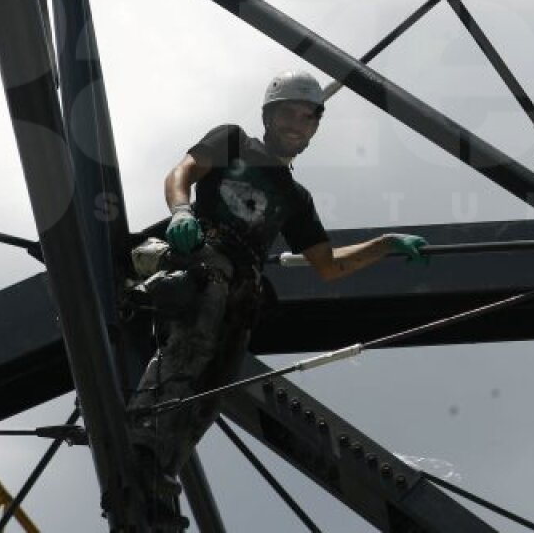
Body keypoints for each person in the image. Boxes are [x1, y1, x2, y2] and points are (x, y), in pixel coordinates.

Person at [125, 70, 428, 527]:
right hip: (202, 257)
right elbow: (183, 171)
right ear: (269, 114)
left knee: (217, 381)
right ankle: (141, 433)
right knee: (198, 329)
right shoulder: (233, 142)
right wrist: (181, 209)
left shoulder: (294, 197)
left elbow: (327, 264)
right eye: (289, 112)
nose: (298, 124)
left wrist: (383, 244)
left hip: (242, 287)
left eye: (309, 118)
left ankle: (159, 471)